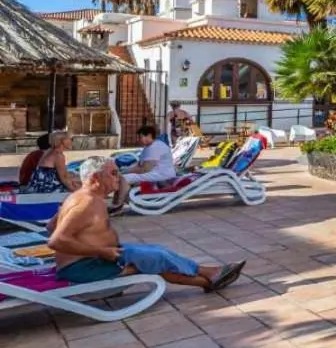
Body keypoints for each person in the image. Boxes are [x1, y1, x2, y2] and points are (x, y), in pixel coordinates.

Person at [49, 157, 244, 292]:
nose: (118, 177)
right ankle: (210, 274)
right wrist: (100, 252)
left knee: (156, 251)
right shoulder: (86, 203)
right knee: (155, 259)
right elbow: (56, 240)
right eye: (113, 173)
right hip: (86, 266)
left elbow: (51, 226)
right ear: (95, 178)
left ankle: (207, 279)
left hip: (98, 257)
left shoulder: (82, 197)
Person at [114, 125, 179, 207]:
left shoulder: (155, 147)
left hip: (162, 175)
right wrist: (123, 171)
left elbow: (145, 169)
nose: (139, 140)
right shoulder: (149, 147)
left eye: (141, 137)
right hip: (156, 173)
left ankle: (118, 205)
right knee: (122, 176)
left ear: (149, 135)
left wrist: (123, 173)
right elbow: (139, 164)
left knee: (124, 178)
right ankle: (116, 203)